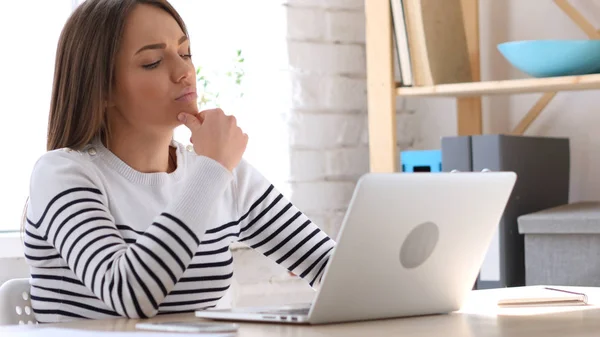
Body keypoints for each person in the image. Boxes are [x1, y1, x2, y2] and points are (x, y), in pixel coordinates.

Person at [23, 0, 335, 323]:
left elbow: (333, 268)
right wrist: (212, 170)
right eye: (153, 62)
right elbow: (127, 293)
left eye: (185, 53)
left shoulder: (223, 174)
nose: (184, 71)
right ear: (102, 89)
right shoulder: (61, 174)